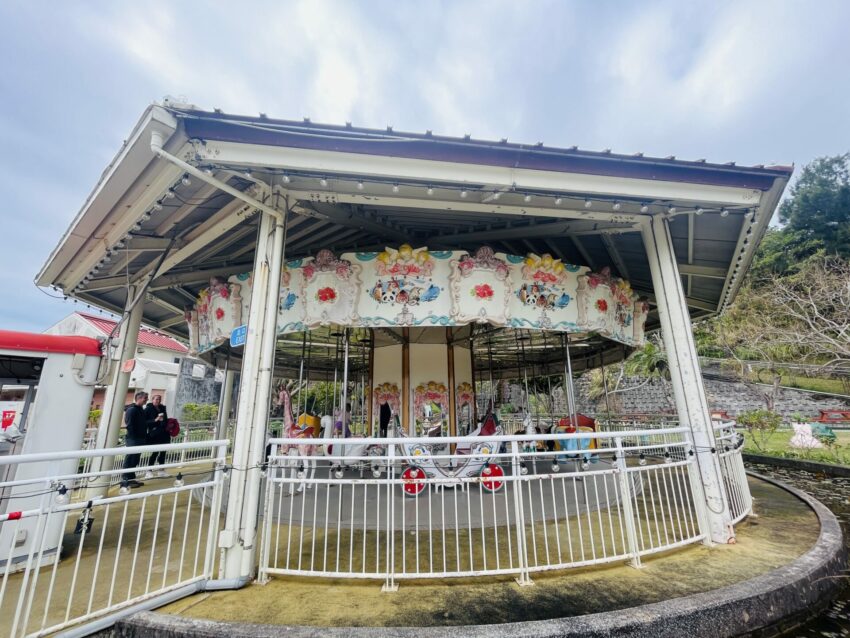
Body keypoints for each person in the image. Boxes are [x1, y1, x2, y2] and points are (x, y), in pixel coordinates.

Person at [122, 391, 156, 487]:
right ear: (139, 398)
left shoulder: (140, 409)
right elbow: (130, 425)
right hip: (133, 439)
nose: (147, 400)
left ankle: (131, 479)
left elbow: (143, 423)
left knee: (135, 460)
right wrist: (134, 437)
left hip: (139, 438)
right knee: (130, 459)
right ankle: (125, 481)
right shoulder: (132, 410)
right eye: (145, 398)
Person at [143, 394, 169, 479]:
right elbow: (144, 422)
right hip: (154, 433)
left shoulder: (162, 408)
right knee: (155, 452)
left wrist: (163, 421)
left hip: (164, 433)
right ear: (152, 400)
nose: (158, 401)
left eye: (159, 399)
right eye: (156, 399)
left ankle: (161, 470)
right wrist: (155, 420)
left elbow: (166, 419)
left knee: (163, 452)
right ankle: (149, 471)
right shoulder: (148, 409)